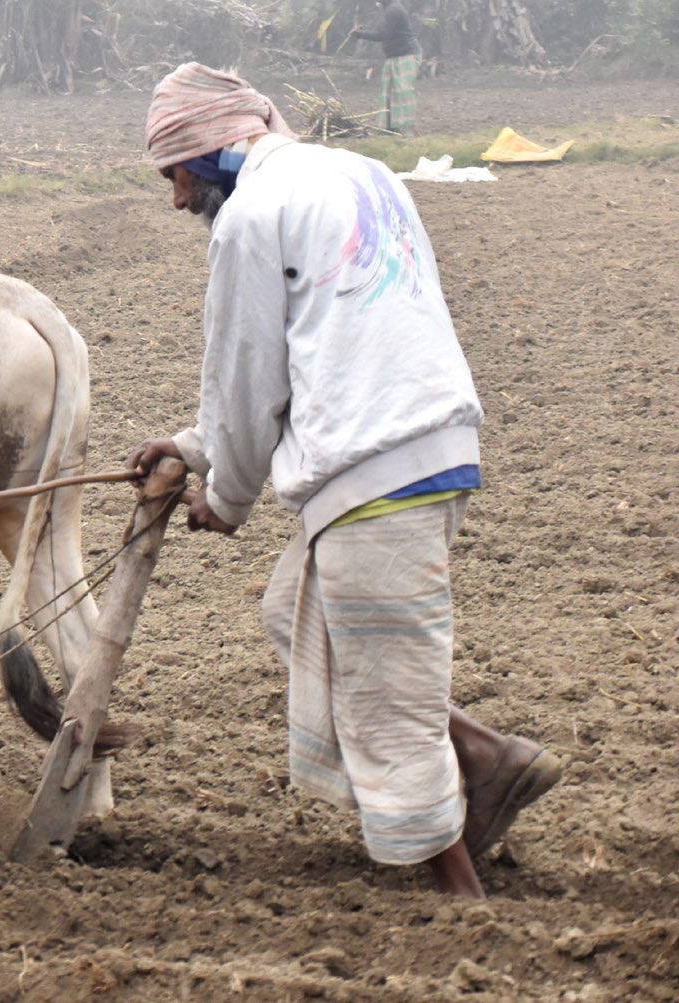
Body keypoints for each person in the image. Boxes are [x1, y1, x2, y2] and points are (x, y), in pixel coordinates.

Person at [128, 62, 562, 900]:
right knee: (295, 615)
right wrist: (192, 445)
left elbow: (249, 374)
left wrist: (225, 496)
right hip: (432, 443)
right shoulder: (359, 172)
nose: (178, 198)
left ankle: (460, 898)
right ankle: (485, 755)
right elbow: (331, 333)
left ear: (209, 154)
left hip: (372, 467)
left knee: (384, 699)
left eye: (175, 174)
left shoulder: (251, 214)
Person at [348, 0, 420, 137]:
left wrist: (360, 34)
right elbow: (384, 30)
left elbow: (383, 35)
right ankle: (389, 128)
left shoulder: (393, 10)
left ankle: (407, 128)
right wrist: (364, 31)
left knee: (403, 91)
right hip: (395, 55)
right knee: (389, 91)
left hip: (405, 54)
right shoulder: (389, 8)